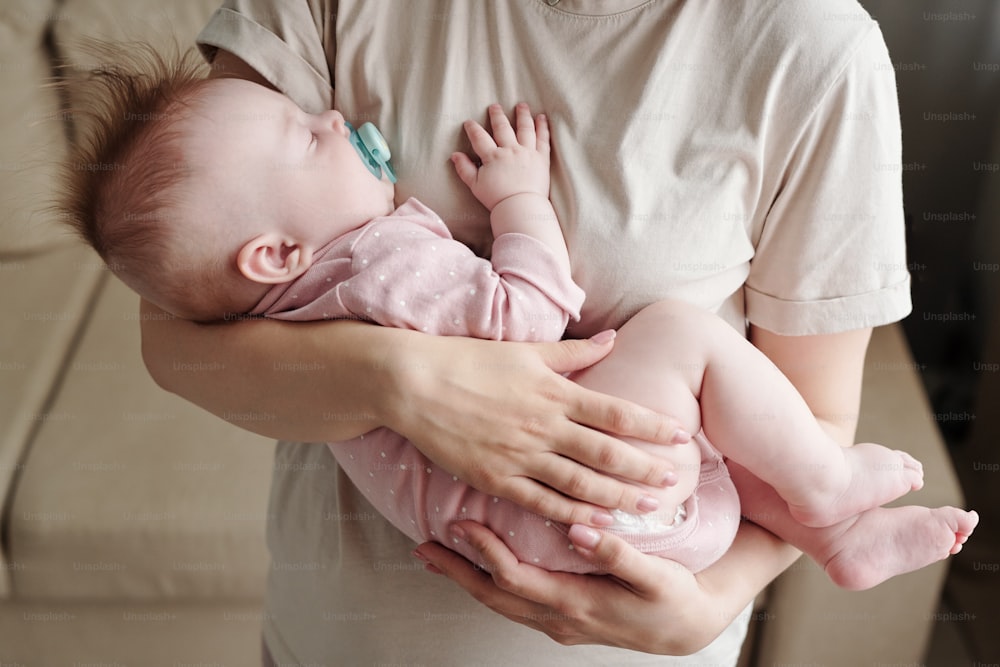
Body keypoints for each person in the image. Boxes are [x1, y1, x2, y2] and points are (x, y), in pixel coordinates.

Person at [133, 1, 940, 664]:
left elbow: (815, 410)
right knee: (679, 338)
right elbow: (178, 333)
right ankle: (832, 512)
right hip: (343, 634)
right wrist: (402, 379)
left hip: (602, 593)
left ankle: (834, 526)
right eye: (312, 132)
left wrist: (710, 606)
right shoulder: (378, 252)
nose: (335, 121)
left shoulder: (817, 52)